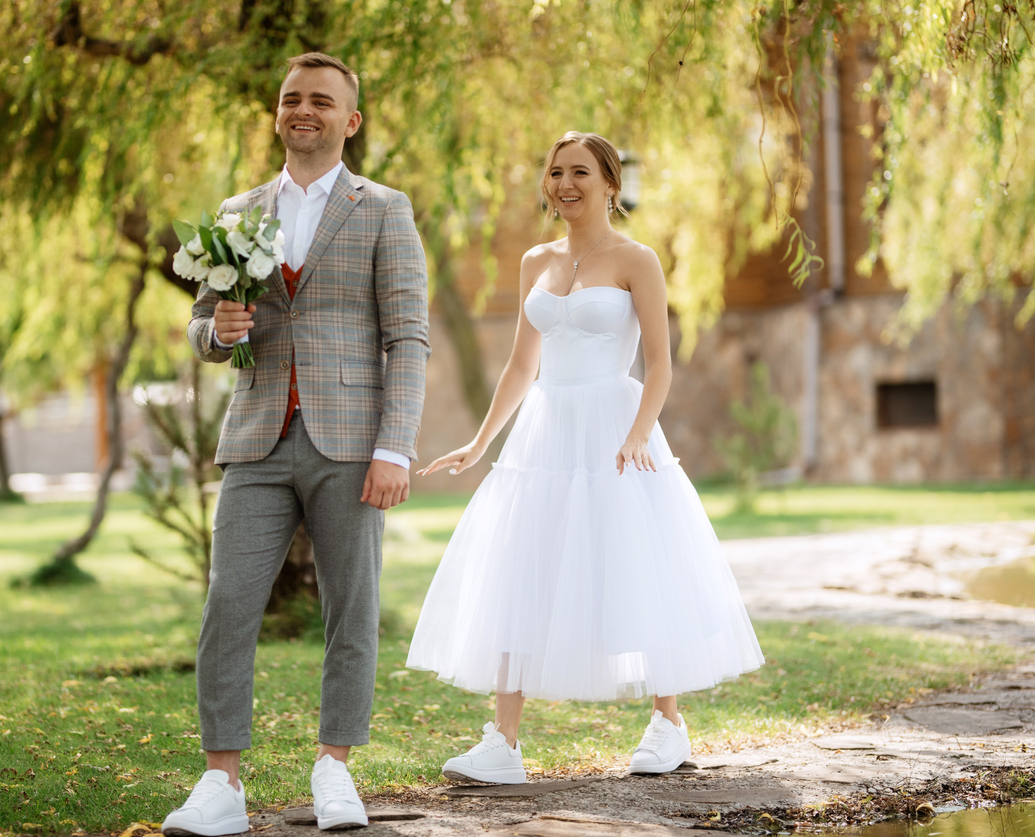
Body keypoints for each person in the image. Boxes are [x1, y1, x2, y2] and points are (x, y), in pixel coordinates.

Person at [406, 131, 763, 782]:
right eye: (553, 173)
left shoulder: (636, 260)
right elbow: (520, 364)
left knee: (636, 560)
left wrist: (635, 432)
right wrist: (481, 441)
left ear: (609, 184)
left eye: (578, 172)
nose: (563, 184)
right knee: (523, 565)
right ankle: (502, 741)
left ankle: (667, 720)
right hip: (546, 428)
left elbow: (658, 365)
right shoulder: (533, 261)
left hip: (617, 427)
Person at [162, 53, 430, 835]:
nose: (302, 110)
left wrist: (396, 447)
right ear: (277, 114)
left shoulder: (384, 207)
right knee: (226, 607)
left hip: (351, 442)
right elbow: (200, 328)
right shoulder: (238, 208)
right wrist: (218, 330)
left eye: (321, 100)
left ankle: (334, 769)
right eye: (290, 99)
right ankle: (221, 785)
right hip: (255, 437)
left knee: (351, 608)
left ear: (350, 121)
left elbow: (408, 336)